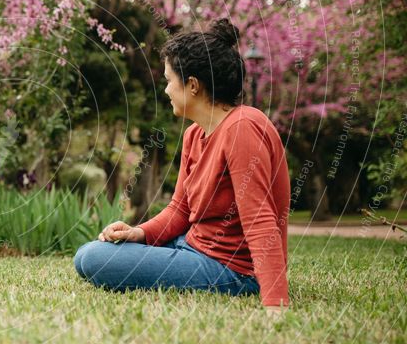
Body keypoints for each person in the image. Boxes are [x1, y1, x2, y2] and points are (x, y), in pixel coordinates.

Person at [73, 19, 290, 316]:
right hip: (190, 246)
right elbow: (179, 209)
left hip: (233, 269)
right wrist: (138, 232)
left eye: (168, 80)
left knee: (96, 260)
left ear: (192, 86)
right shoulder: (194, 134)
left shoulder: (243, 128)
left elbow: (260, 219)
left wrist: (275, 303)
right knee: (85, 255)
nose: (165, 90)